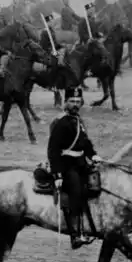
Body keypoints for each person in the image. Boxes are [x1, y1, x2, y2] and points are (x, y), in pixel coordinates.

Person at [47, 87, 100, 249]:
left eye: (78, 102)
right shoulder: (61, 122)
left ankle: (89, 226)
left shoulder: (78, 120)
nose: (76, 105)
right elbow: (53, 150)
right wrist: (57, 175)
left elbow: (85, 142)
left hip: (81, 163)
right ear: (66, 102)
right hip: (66, 165)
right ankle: (75, 235)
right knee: (76, 193)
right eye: (72, 101)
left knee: (95, 186)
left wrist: (93, 155)